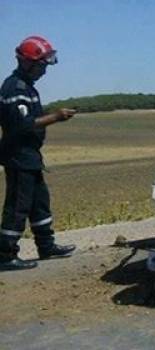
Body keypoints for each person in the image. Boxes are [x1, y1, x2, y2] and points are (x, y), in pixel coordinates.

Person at [0, 36, 77, 271]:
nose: (44, 70)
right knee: (18, 206)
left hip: (30, 156)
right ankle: (5, 255)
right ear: (27, 63)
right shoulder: (15, 88)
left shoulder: (28, 88)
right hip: (18, 156)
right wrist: (56, 117)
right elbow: (21, 125)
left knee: (39, 203)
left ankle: (46, 245)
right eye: (41, 65)